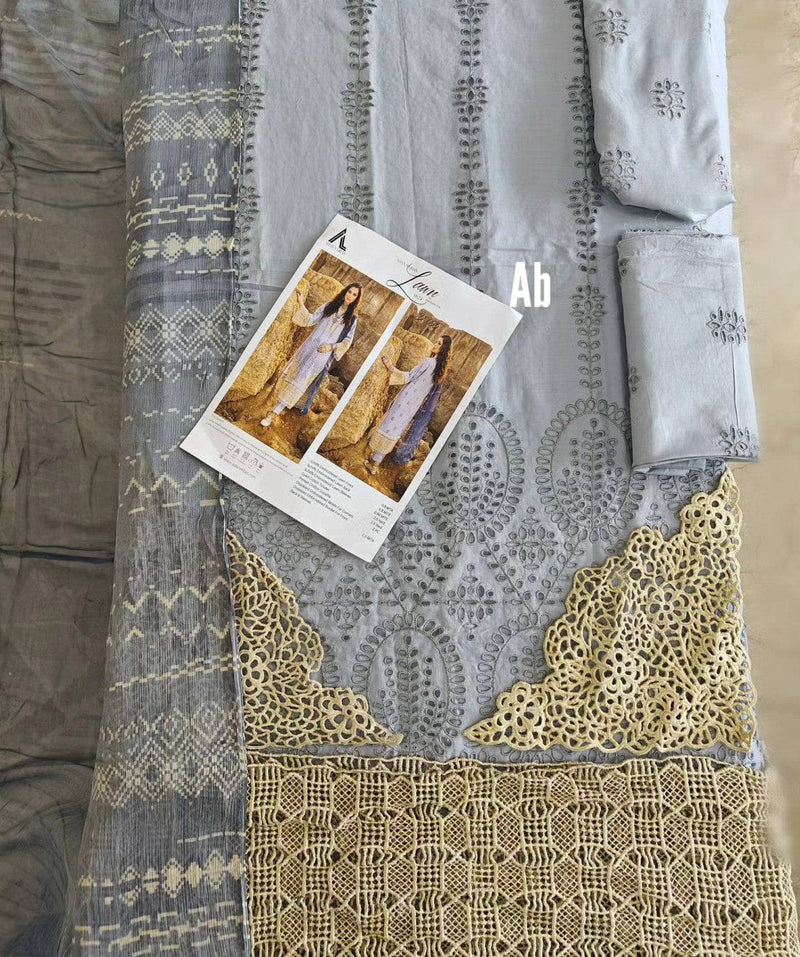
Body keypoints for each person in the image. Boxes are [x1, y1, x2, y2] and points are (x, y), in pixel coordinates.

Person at [260, 282, 362, 427]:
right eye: (349, 292)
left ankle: (273, 414)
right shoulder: (329, 306)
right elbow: (311, 319)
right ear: (345, 291)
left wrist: (330, 347)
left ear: (357, 299)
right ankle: (273, 406)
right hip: (307, 348)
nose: (350, 295)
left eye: (354, 294)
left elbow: (347, 342)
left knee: (300, 381)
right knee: (292, 375)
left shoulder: (352, 319)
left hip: (321, 356)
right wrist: (301, 302)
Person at [365, 334, 453, 475]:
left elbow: (408, 377)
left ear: (443, 349)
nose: (434, 345)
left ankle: (374, 462)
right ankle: (375, 464)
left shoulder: (428, 362)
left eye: (438, 343)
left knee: (389, 425)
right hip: (413, 406)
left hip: (405, 399)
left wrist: (390, 367)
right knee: (396, 429)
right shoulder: (440, 373)